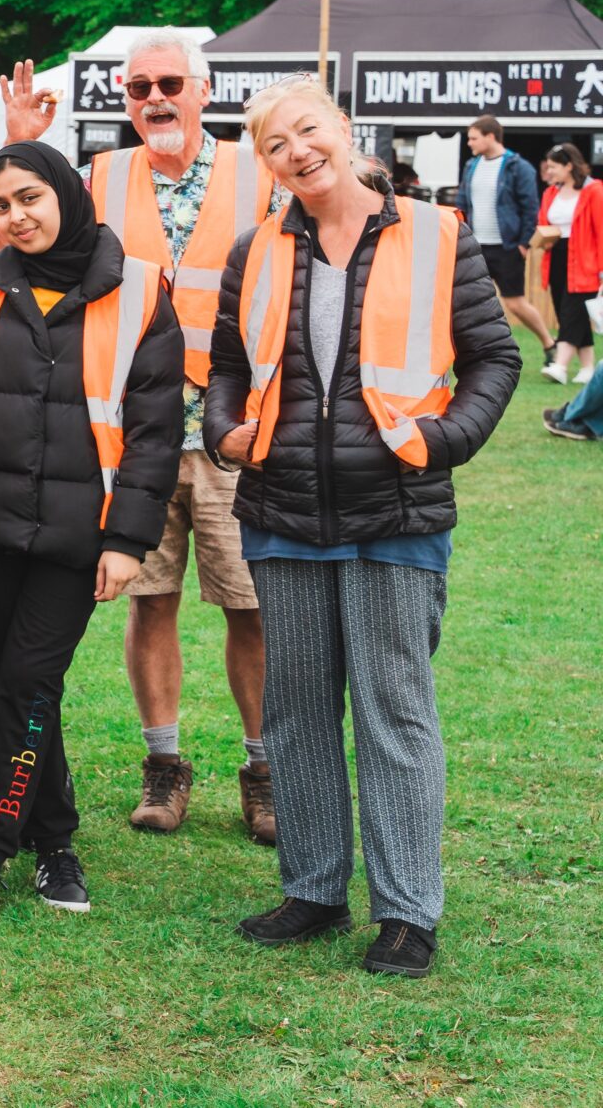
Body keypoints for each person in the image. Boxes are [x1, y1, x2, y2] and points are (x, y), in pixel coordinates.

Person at [209, 77, 518, 980]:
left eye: (308, 131)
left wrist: (447, 437)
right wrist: (226, 428)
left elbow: (496, 354)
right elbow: (228, 361)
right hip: (281, 511)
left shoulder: (436, 234)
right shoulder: (254, 249)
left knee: (394, 713)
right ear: (264, 163)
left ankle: (407, 910)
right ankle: (312, 888)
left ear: (343, 129)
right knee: (296, 711)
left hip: (398, 511)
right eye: (276, 144)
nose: (297, 152)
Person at [0, 140, 184, 931]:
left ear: (64, 193)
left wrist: (127, 539)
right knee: (26, 693)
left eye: (29, 198)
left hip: (76, 540)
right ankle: (56, 841)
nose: (15, 216)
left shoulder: (141, 291)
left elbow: (156, 433)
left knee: (25, 684)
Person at [1, 30, 281, 842]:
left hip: (232, 432)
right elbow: (28, 243)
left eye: (168, 82)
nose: (153, 97)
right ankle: (164, 768)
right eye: (136, 87)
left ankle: (264, 772)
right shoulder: (101, 176)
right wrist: (23, 142)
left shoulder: (256, 172)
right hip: (132, 437)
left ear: (202, 89)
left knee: (251, 607)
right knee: (148, 600)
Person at [461, 116, 547, 352]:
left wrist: (523, 244)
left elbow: (530, 208)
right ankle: (479, 349)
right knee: (470, 302)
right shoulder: (471, 167)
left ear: (490, 136)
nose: (469, 143)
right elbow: (463, 205)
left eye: (474, 138)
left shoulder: (518, 167)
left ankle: (549, 343)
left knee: (515, 303)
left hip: (507, 246)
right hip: (476, 246)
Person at [532, 144, 598, 386]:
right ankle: (589, 368)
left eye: (554, 166)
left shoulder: (593, 191)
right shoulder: (550, 192)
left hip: (583, 260)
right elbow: (543, 220)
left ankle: (559, 365)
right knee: (567, 313)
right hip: (555, 256)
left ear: (569, 165)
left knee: (572, 313)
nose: (549, 171)